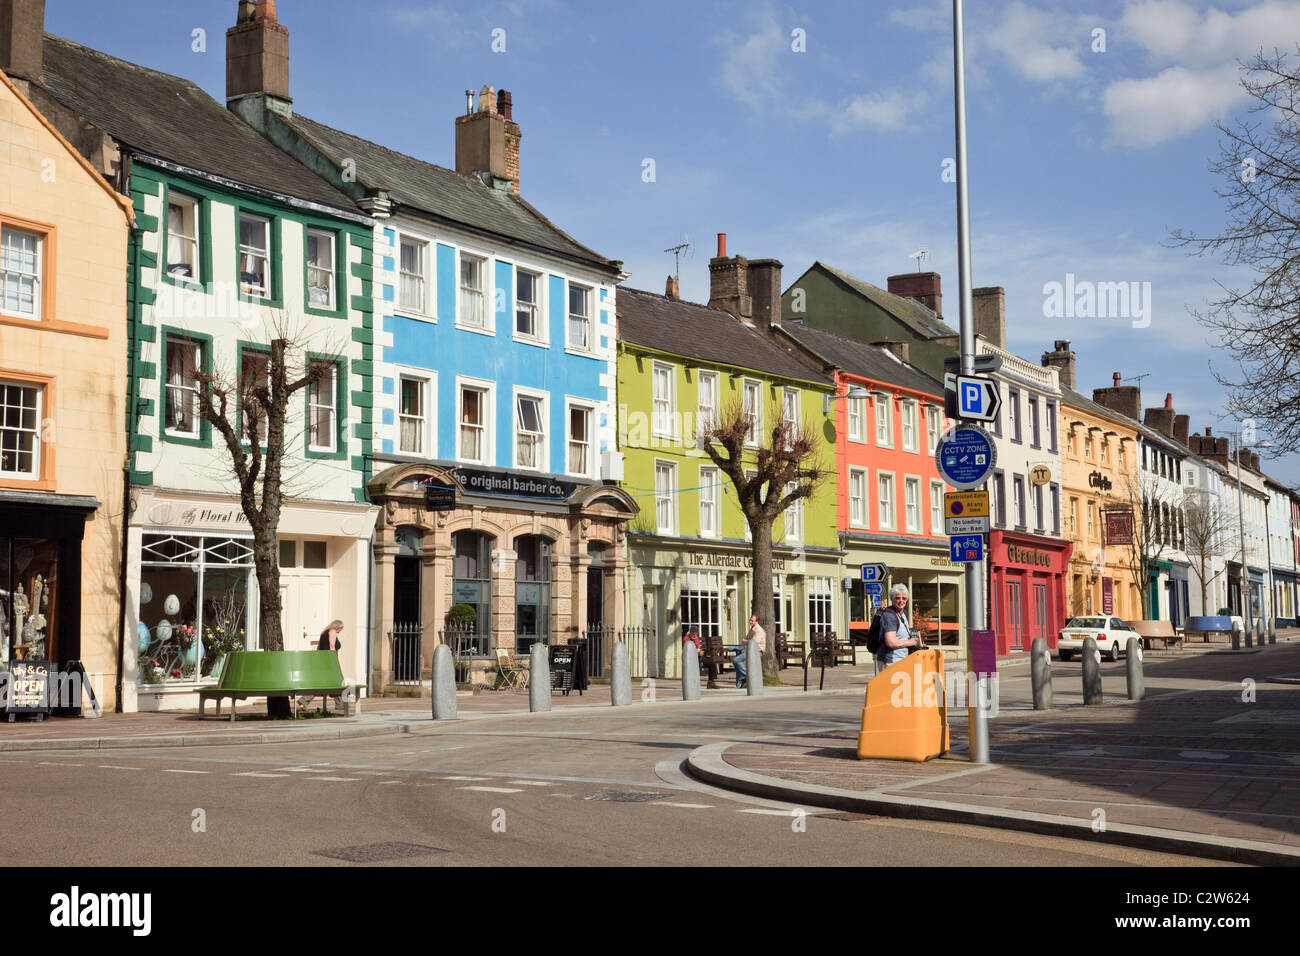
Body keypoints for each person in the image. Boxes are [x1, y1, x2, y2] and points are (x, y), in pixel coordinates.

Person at [874, 585, 921, 675]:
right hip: (890, 661)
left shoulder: (903, 613)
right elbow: (891, 642)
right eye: (898, 598)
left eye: (904, 598)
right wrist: (911, 642)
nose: (901, 601)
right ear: (892, 599)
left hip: (901, 659)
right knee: (890, 688)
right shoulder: (889, 616)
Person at [733, 614, 767, 688]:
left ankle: (747, 676)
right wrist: (746, 641)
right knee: (736, 661)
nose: (750, 621)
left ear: (757, 621)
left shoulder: (759, 630)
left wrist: (746, 641)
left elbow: (753, 643)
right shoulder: (752, 629)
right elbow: (744, 641)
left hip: (757, 652)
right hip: (750, 651)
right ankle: (743, 680)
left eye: (752, 620)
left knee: (736, 660)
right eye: (750, 620)